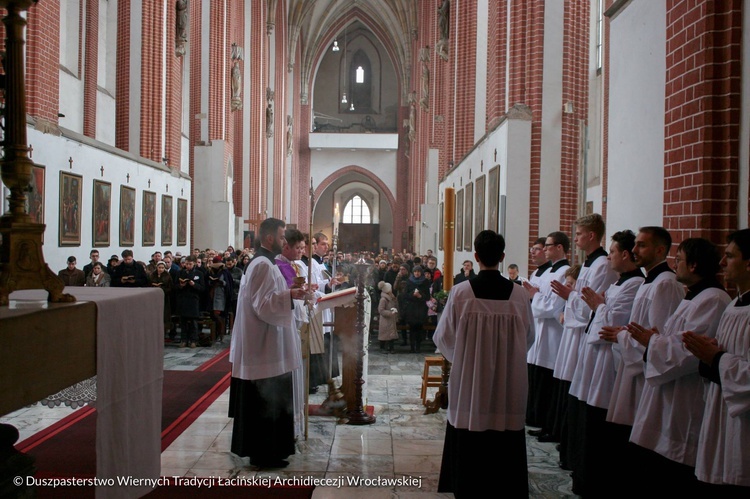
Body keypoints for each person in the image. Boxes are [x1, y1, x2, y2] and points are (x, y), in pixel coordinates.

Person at [628, 238, 730, 495]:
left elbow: (689, 351)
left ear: (694, 265)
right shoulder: (694, 296)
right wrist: (656, 339)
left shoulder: (713, 299)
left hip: (686, 397)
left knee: (674, 472)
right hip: (669, 396)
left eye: (680, 260)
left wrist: (653, 341)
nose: (675, 266)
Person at [435, 230, 533, 497]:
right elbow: (529, 337)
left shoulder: (461, 292)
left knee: (470, 431)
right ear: (502, 257)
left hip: (469, 385)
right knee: (505, 432)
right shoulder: (520, 295)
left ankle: (467, 487)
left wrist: (467, 359)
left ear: (475, 257)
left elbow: (443, 337)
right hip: (508, 383)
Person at [600, 226, 684, 495]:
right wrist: (624, 335)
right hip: (633, 367)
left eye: (642, 246)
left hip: (647, 375)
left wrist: (623, 337)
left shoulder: (666, 284)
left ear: (661, 250)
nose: (634, 250)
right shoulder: (651, 281)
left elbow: (657, 338)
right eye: (635, 245)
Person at [568, 230, 644, 496]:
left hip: (609, 364)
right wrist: (599, 306)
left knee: (600, 426)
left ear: (625, 254)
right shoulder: (619, 283)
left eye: (612, 252)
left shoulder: (635, 284)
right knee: (587, 418)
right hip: (596, 361)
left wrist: (599, 306)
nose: (609, 256)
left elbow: (609, 325)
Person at [228, 218, 308, 468]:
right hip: (264, 347)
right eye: (283, 237)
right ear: (270, 238)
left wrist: (289, 295)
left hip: (267, 344)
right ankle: (264, 454)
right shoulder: (262, 265)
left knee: (270, 402)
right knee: (265, 402)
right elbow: (263, 306)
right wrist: (291, 295)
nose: (285, 241)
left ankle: (273, 451)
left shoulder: (264, 263)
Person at [684, 228, 750, 495]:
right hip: (720, 409)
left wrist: (717, 358)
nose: (722, 263)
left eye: (730, 256)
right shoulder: (734, 304)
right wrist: (709, 355)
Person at [550, 214, 617, 465]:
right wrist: (571, 297)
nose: (575, 238)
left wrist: (570, 296)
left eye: (578, 234)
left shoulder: (602, 265)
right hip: (574, 332)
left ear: (591, 235)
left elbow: (592, 307)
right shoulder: (589, 263)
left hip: (583, 335)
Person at [524, 232, 570, 436]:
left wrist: (534, 296)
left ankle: (548, 424)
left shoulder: (564, 272)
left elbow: (553, 307)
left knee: (549, 384)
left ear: (559, 248)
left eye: (548, 246)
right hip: (541, 331)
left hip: (553, 336)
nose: (544, 250)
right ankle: (538, 419)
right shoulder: (550, 271)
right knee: (538, 379)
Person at [175, 255, 205, 348]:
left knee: (193, 322)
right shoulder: (180, 273)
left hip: (193, 299)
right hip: (183, 299)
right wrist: (181, 285)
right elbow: (175, 286)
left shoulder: (199, 274)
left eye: (190, 264)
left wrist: (194, 285)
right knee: (183, 322)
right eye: (186, 264)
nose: (188, 266)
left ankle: (193, 340)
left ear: (194, 264)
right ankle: (184, 340)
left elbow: (203, 288)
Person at [403, 265, 430, 353]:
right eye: (415, 271)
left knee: (420, 328)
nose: (417, 273)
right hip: (411, 308)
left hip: (421, 307)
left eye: (418, 271)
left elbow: (427, 296)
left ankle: (418, 347)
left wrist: (420, 296)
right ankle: (412, 347)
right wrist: (413, 295)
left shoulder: (425, 282)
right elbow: (405, 295)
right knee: (412, 329)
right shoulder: (409, 281)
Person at [149, 261, 173, 337]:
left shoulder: (167, 276)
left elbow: (170, 288)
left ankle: (164, 333)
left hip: (164, 298)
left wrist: (161, 288)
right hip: (154, 299)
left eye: (162, 268)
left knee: (164, 316)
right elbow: (148, 285)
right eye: (159, 267)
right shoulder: (152, 275)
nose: (161, 269)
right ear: (157, 267)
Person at [377, 281, 399, 353]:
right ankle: (383, 347)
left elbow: (395, 305)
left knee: (391, 333)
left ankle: (391, 347)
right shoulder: (383, 299)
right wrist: (390, 313)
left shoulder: (391, 297)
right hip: (386, 319)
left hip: (391, 318)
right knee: (385, 334)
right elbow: (381, 310)